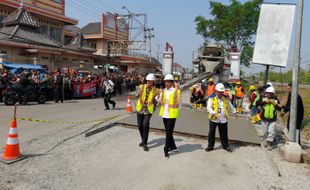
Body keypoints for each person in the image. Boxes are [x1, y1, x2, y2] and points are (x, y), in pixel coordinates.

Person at [205, 83, 236, 153]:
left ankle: (225, 146)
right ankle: (210, 146)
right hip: (214, 119)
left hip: (223, 119)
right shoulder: (211, 97)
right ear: (216, 91)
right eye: (219, 92)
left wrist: (234, 110)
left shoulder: (226, 97)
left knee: (224, 134)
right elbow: (208, 107)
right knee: (211, 133)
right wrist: (214, 113)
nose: (221, 93)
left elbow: (230, 105)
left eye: (222, 92)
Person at [156, 74, 181, 158]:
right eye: (165, 81)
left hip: (172, 115)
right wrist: (158, 100)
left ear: (172, 82)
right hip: (164, 114)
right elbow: (159, 100)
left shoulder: (176, 91)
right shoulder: (163, 91)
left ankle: (166, 149)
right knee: (168, 132)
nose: (166, 83)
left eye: (168, 81)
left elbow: (180, 103)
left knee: (168, 133)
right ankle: (173, 147)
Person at [136, 73, 159, 151]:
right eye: (148, 81)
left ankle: (145, 143)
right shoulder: (141, 87)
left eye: (150, 81)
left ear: (153, 82)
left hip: (148, 111)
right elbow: (136, 96)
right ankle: (143, 140)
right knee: (140, 126)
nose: (149, 82)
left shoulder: (156, 90)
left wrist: (156, 100)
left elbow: (157, 101)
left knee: (145, 125)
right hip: (140, 109)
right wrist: (140, 92)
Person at [257, 86, 282, 151]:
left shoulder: (276, 100)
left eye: (269, 93)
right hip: (264, 118)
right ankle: (265, 140)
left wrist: (275, 104)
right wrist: (265, 102)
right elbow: (257, 103)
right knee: (265, 131)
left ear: (272, 94)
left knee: (271, 132)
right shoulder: (264, 99)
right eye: (267, 93)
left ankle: (269, 143)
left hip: (272, 119)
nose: (267, 94)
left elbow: (279, 108)